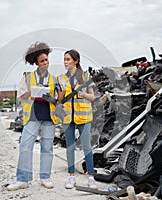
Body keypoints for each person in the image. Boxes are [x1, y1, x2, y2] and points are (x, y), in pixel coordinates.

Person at [7, 42, 59, 191]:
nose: (45, 63)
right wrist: (32, 92)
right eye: (42, 61)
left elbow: (56, 100)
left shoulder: (54, 79)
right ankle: (23, 179)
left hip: (48, 118)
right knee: (25, 146)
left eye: (46, 60)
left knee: (47, 148)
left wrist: (50, 97)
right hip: (32, 118)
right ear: (36, 63)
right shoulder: (27, 77)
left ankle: (45, 177)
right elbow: (20, 96)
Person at [57, 49, 97, 189]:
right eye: (64, 59)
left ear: (76, 60)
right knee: (70, 147)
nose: (65, 62)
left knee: (86, 147)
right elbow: (60, 99)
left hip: (84, 117)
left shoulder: (86, 77)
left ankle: (91, 177)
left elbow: (93, 97)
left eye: (68, 59)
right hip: (68, 118)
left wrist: (83, 94)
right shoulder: (61, 78)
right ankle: (71, 176)